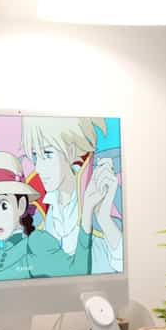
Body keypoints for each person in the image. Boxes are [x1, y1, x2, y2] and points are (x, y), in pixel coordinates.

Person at [0, 151, 106, 283]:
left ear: (21, 205)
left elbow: (78, 272)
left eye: (3, 205)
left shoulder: (36, 244)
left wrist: (88, 212)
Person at [21, 116, 123, 274]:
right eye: (35, 156)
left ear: (71, 151)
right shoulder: (37, 216)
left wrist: (103, 219)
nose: (39, 168)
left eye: (47, 154)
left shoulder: (98, 192)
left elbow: (123, 266)